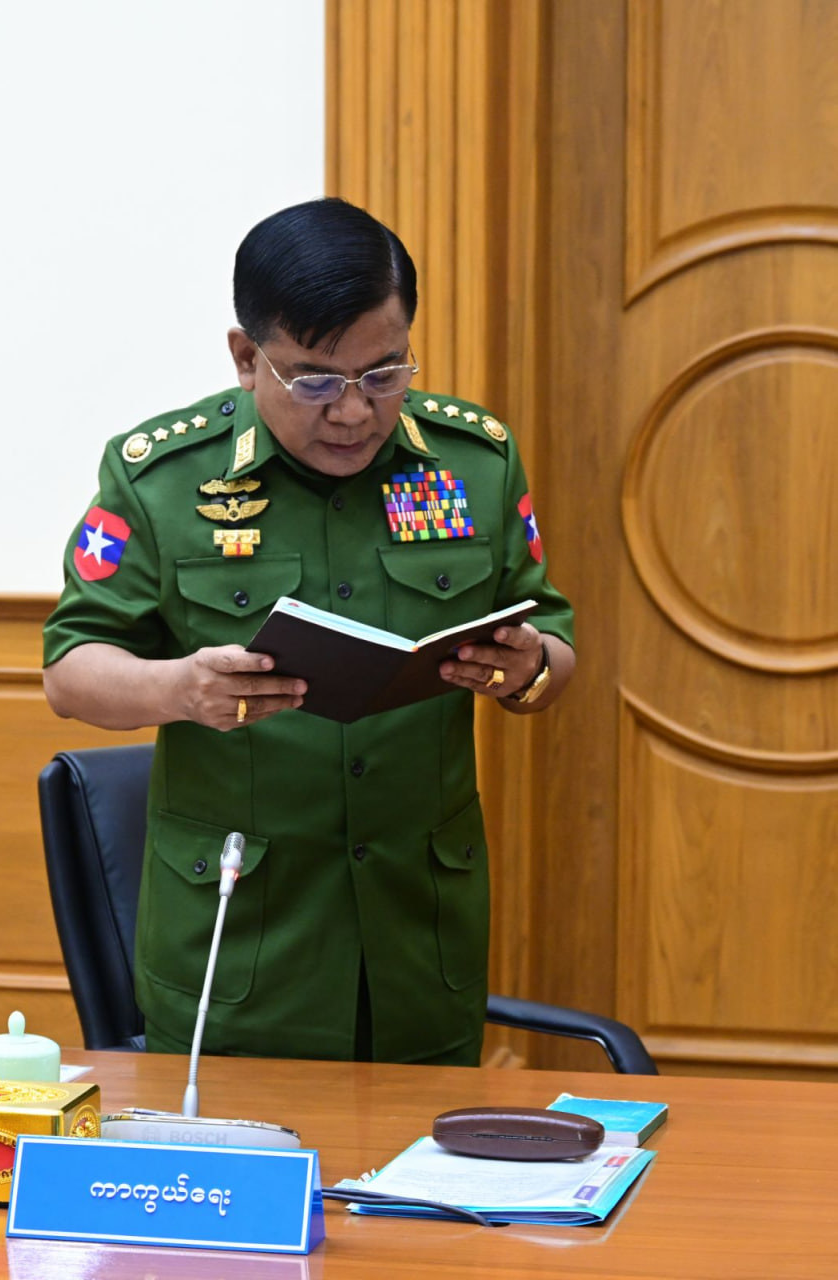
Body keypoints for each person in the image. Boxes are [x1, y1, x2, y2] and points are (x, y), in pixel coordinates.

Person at [43, 197, 574, 1066]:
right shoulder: (163, 477)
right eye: (316, 382)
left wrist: (530, 669)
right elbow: (70, 670)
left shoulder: (472, 461)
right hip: (242, 944)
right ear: (246, 358)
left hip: (420, 937)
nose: (355, 412)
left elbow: (550, 634)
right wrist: (180, 689)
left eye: (385, 373)